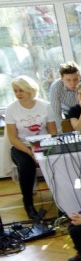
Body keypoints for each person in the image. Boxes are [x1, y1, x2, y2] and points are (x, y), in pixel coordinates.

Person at [4, 75, 57, 219]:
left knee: (57, 162)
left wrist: (44, 149)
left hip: (45, 144)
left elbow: (53, 132)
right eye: (15, 91)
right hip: (21, 147)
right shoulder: (11, 109)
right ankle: (28, 203)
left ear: (31, 90)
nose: (18, 94)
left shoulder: (45, 106)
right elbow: (13, 138)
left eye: (21, 90)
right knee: (26, 166)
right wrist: (30, 152)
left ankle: (60, 200)